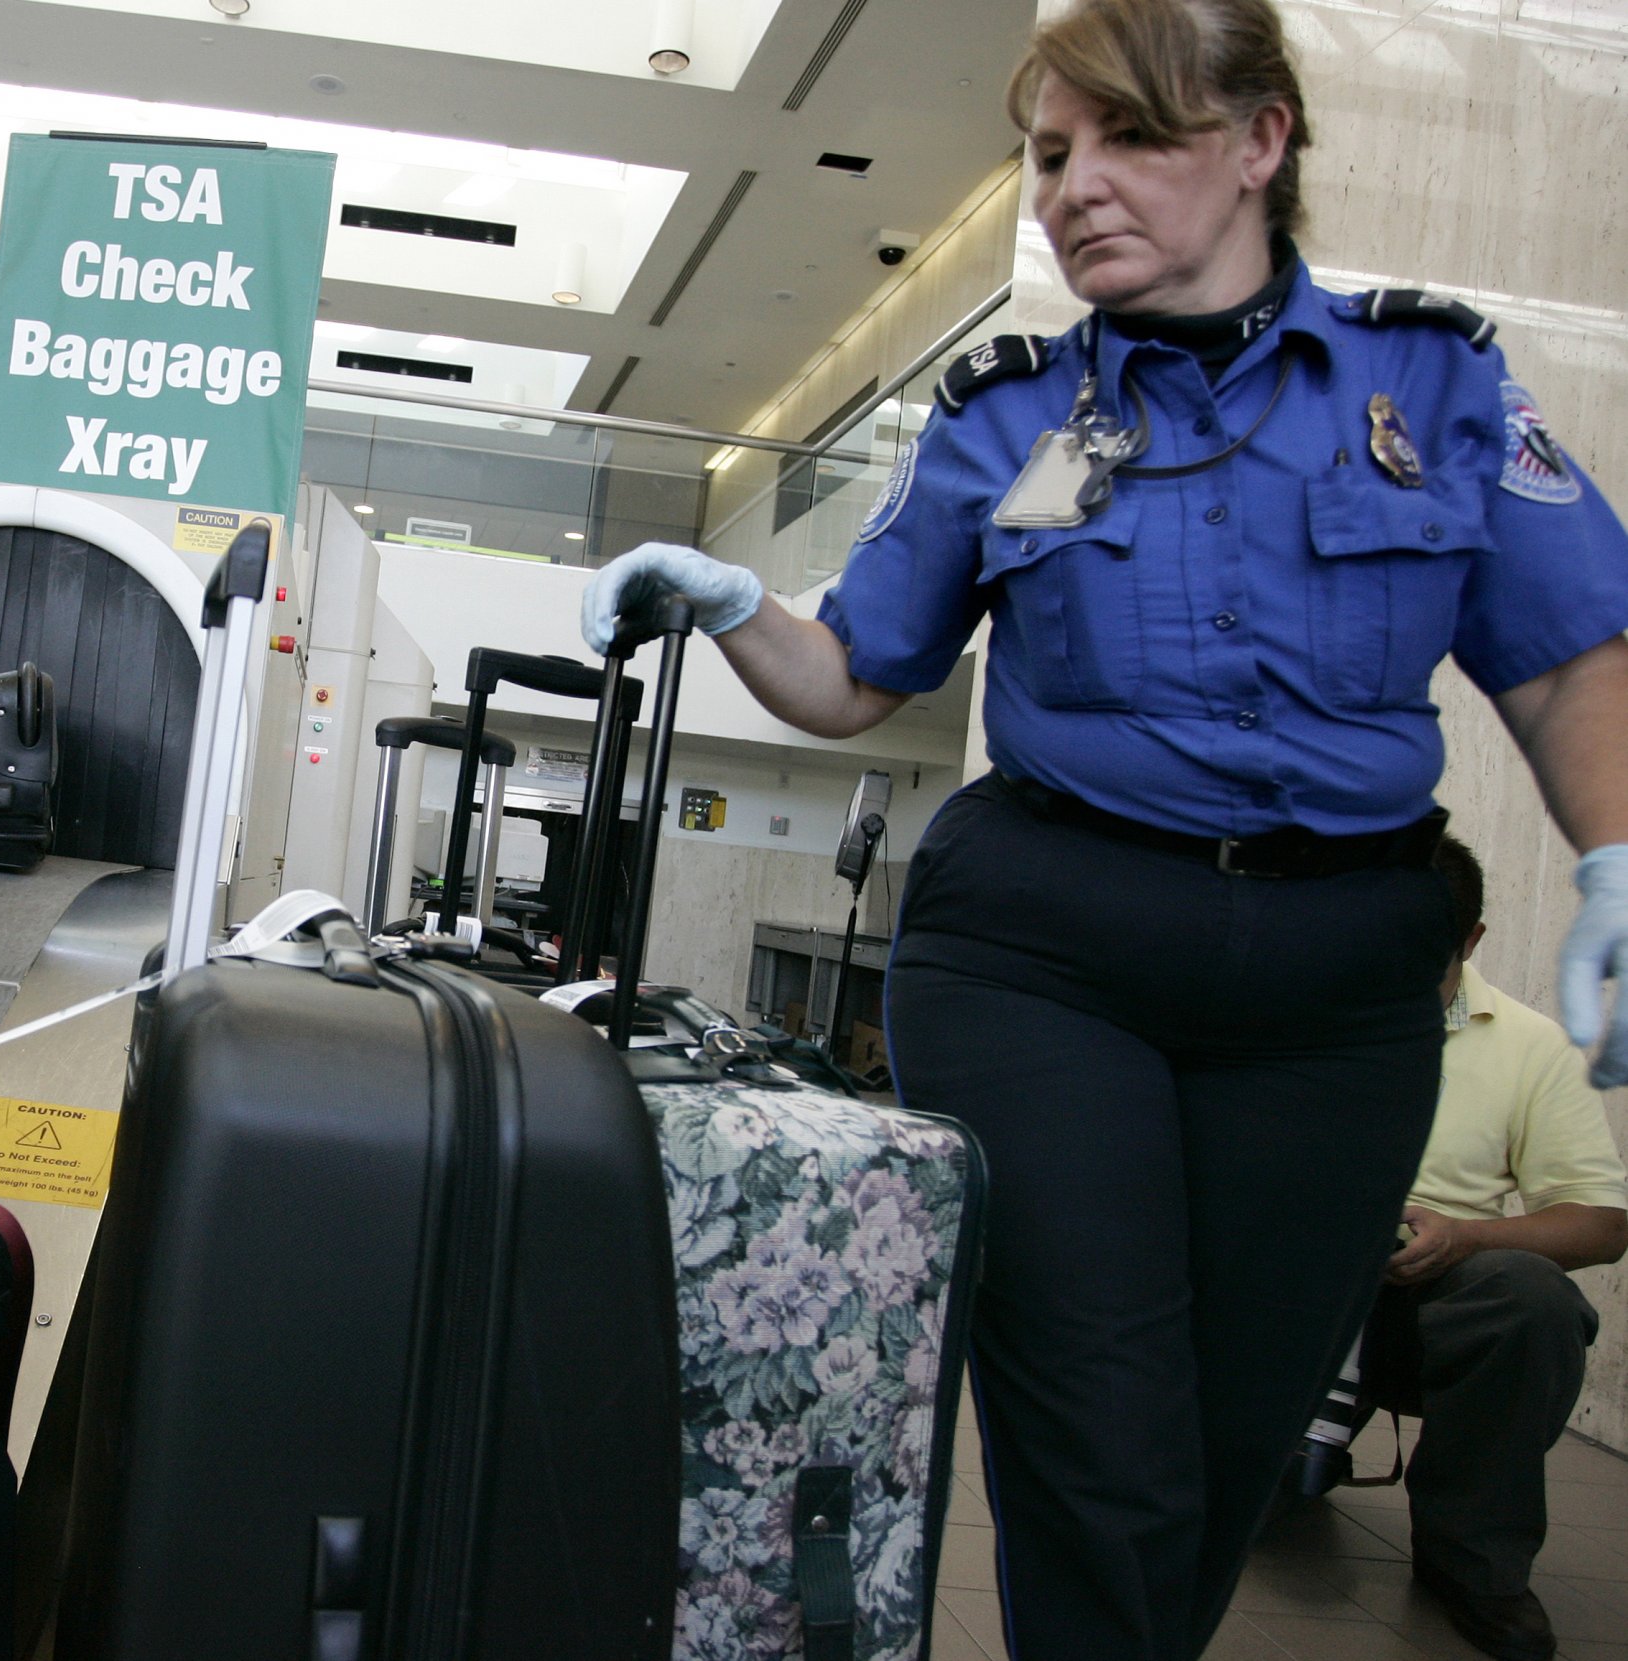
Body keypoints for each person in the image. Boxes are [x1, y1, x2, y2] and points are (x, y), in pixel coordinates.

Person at [579, 0, 1628, 1654]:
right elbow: (860, 672)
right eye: (1053, 154)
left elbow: (1566, 660)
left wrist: (1615, 861)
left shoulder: (1435, 382)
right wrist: (734, 609)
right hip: (1046, 955)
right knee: (1099, 1438)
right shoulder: (1009, 412)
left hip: (1339, 983)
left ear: (1261, 141)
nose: (1075, 189)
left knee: (1231, 1448)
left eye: (1131, 138)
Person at [1355, 835, 1627, 1661]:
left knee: (1531, 1297)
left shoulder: (1529, 1044)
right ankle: (1244, 1482)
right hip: (1280, 1296)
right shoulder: (1281, 1013)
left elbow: (1603, 1220)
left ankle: (1473, 1559)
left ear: (1471, 940)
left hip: (1419, 1308)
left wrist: (1464, 1233)